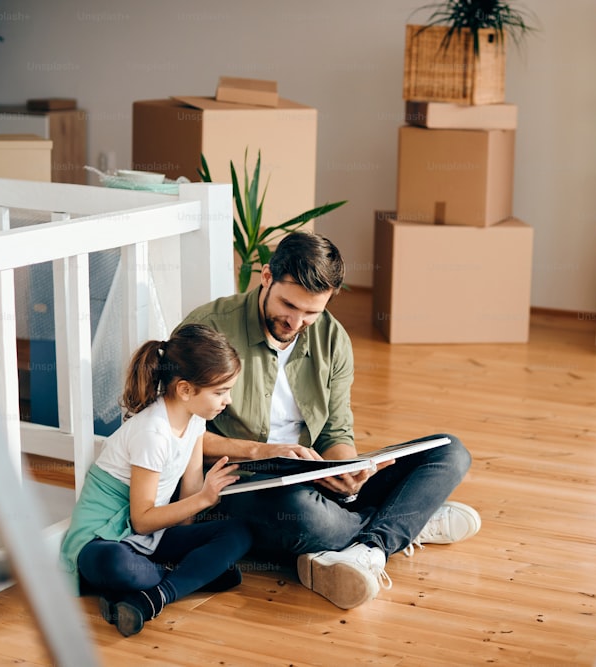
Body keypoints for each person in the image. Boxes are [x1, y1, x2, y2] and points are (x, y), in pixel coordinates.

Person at [178, 231, 480, 610]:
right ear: (267, 277)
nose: (296, 321)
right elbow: (176, 432)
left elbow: (336, 428)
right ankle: (402, 524)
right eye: (289, 305)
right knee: (307, 519)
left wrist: (347, 469)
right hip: (245, 487)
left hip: (316, 480)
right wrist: (265, 450)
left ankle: (366, 546)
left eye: (311, 313)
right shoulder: (210, 329)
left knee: (449, 451)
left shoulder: (332, 338)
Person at [59, 324, 252, 637]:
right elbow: (142, 520)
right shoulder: (153, 433)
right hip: (102, 541)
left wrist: (189, 530)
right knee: (117, 564)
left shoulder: (195, 421)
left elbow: (189, 494)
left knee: (238, 532)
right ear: (186, 390)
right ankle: (186, 579)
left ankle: (151, 598)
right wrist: (205, 500)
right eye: (220, 391)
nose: (227, 400)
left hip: (150, 540)